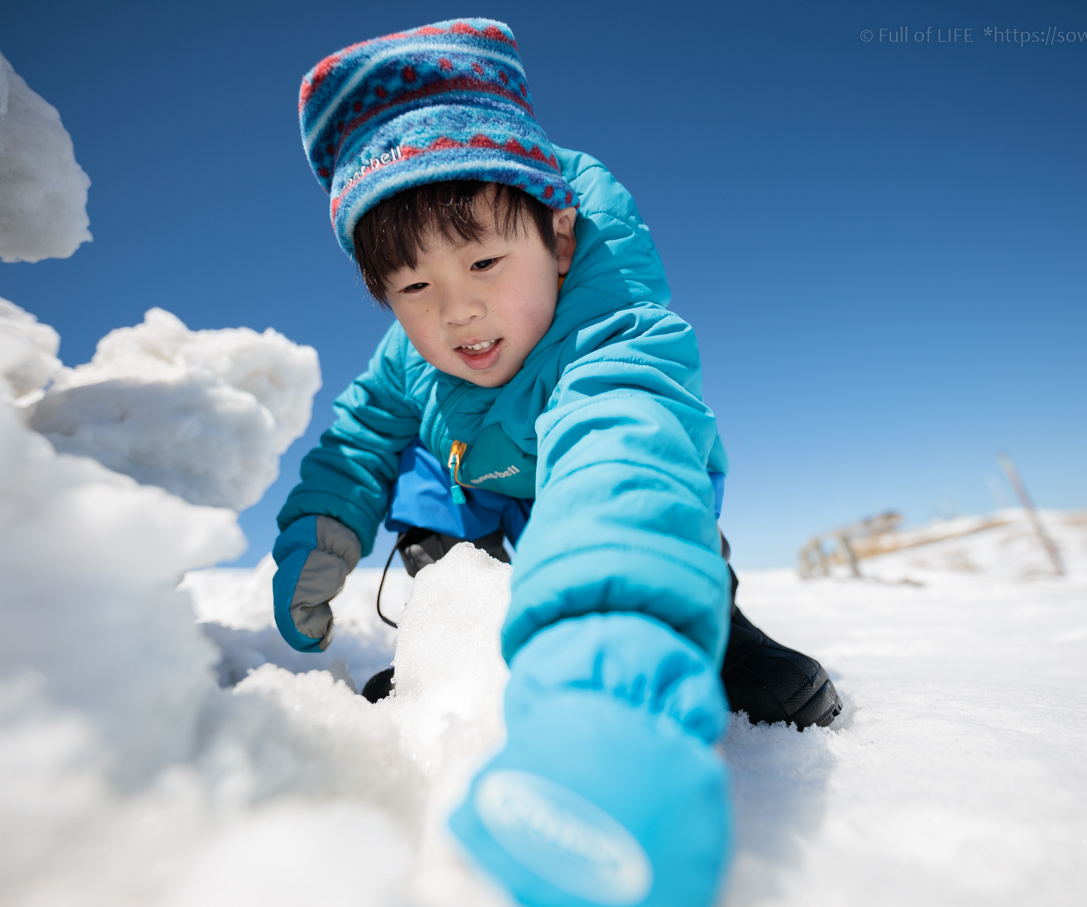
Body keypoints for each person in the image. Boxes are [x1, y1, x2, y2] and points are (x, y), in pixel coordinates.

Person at [271, 18, 840, 907]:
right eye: (414, 287)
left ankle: (701, 645)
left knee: (658, 534)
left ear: (560, 239)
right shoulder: (409, 357)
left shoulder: (609, 334)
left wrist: (603, 702)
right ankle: (449, 653)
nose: (458, 313)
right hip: (491, 504)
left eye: (485, 261)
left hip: (616, 508)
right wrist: (323, 527)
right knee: (431, 502)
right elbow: (360, 433)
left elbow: (619, 478)